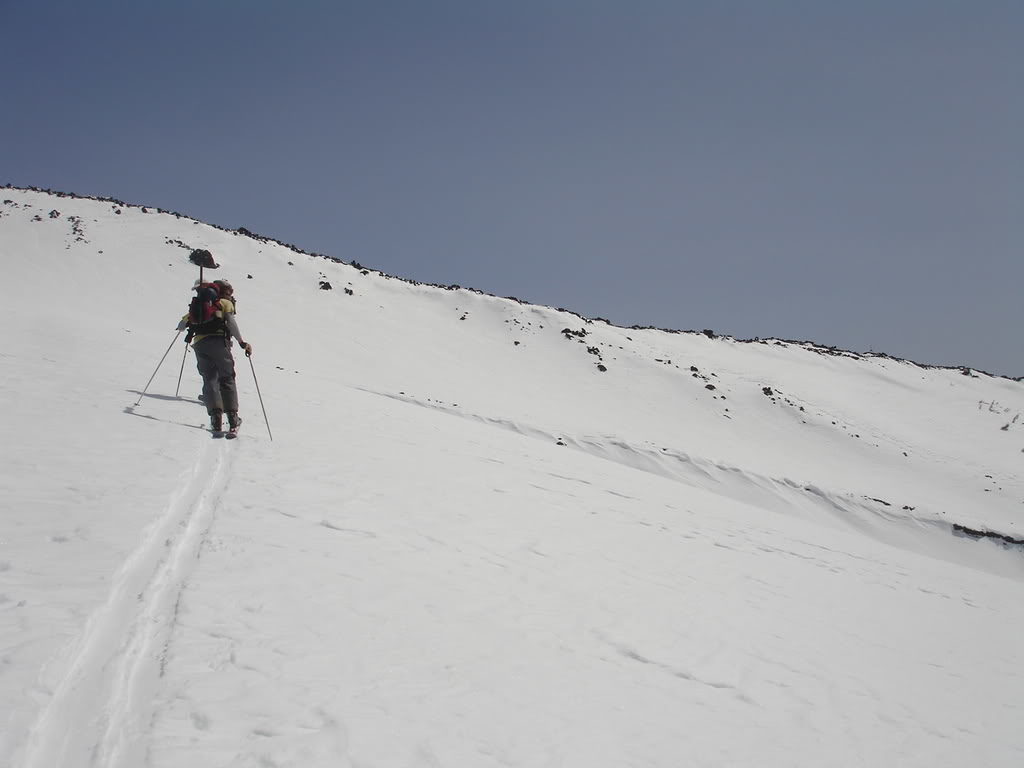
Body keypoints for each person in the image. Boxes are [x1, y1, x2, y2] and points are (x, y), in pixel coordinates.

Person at [181, 279, 253, 433]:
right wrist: (242, 342)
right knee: (227, 377)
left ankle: (215, 419)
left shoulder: (198, 306)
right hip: (219, 342)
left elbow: (181, 326)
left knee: (209, 379)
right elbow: (231, 323)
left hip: (200, 344)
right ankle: (233, 419)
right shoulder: (224, 304)